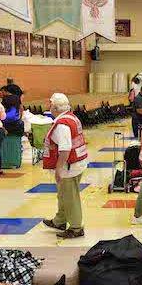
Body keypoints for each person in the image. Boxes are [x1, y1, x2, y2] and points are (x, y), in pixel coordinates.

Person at [41, 93, 88, 238]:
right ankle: (60, 220)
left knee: (70, 197)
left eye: (50, 105)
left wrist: (59, 169)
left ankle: (75, 228)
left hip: (69, 166)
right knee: (63, 194)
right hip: (77, 161)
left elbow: (65, 148)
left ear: (55, 107)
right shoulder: (71, 117)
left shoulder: (62, 125)